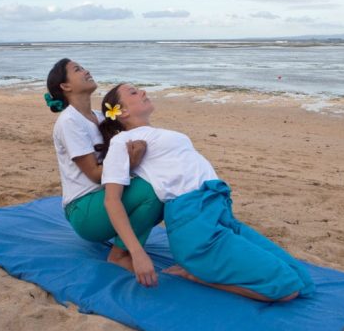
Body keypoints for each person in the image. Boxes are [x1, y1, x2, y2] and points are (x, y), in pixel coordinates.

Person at [98, 83, 315, 301]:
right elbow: (112, 200)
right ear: (122, 111)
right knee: (287, 290)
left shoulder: (155, 134)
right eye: (134, 92)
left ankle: (202, 268)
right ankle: (195, 276)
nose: (143, 92)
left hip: (219, 213)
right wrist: (137, 253)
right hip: (194, 224)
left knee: (302, 280)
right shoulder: (122, 141)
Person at [45, 59, 163, 272]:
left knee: (165, 187)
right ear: (65, 86)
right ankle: (119, 255)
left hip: (107, 199)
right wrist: (131, 162)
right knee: (153, 190)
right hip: (85, 209)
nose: (86, 70)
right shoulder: (69, 121)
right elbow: (94, 174)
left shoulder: (99, 118)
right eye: (77, 69)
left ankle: (126, 248)